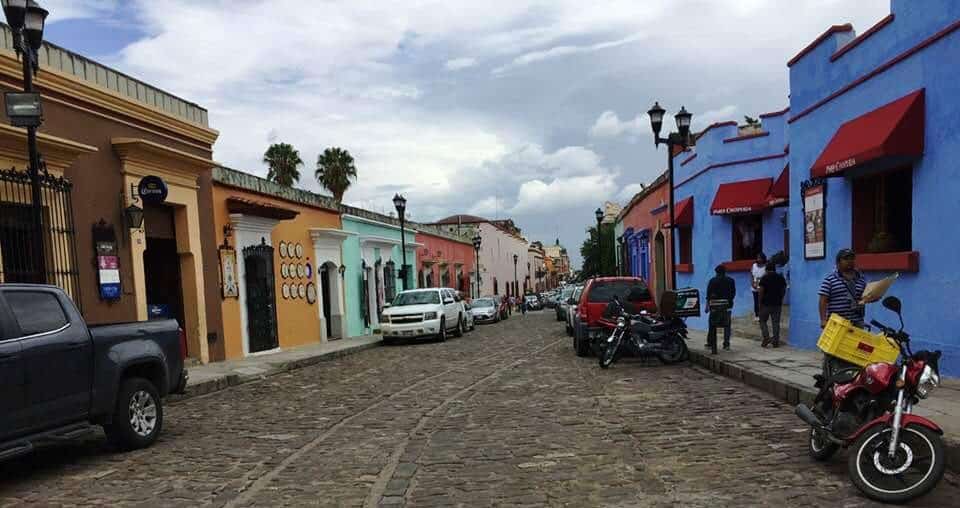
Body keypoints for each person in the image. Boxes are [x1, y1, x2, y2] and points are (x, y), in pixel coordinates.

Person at [818, 248, 867, 329]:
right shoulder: (830, 280)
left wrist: (873, 297)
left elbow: (865, 297)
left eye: (852, 258)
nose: (849, 261)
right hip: (837, 324)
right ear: (838, 262)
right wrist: (823, 320)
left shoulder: (861, 279)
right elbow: (823, 300)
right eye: (846, 259)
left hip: (857, 323)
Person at [706, 264, 736, 354]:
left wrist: (707, 306)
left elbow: (708, 294)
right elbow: (733, 293)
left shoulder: (712, 281)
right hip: (727, 306)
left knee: (712, 324)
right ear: (725, 272)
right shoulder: (731, 280)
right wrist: (729, 301)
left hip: (714, 306)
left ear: (716, 272)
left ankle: (710, 343)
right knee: (727, 324)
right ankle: (726, 344)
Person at [758, 261, 787, 348]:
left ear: (766, 269)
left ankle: (766, 338)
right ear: (774, 269)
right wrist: (781, 298)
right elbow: (784, 289)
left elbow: (761, 291)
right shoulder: (780, 278)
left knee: (762, 321)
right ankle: (775, 341)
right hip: (777, 304)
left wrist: (759, 303)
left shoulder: (764, 278)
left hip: (766, 304)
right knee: (776, 323)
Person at [750, 252, 767, 322]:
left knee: (763, 301)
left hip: (763, 287)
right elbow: (751, 275)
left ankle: (763, 315)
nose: (758, 259)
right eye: (757, 258)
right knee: (756, 301)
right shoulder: (754, 265)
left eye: (760, 258)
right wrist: (752, 283)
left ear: (763, 258)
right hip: (755, 285)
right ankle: (757, 315)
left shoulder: (766, 267)